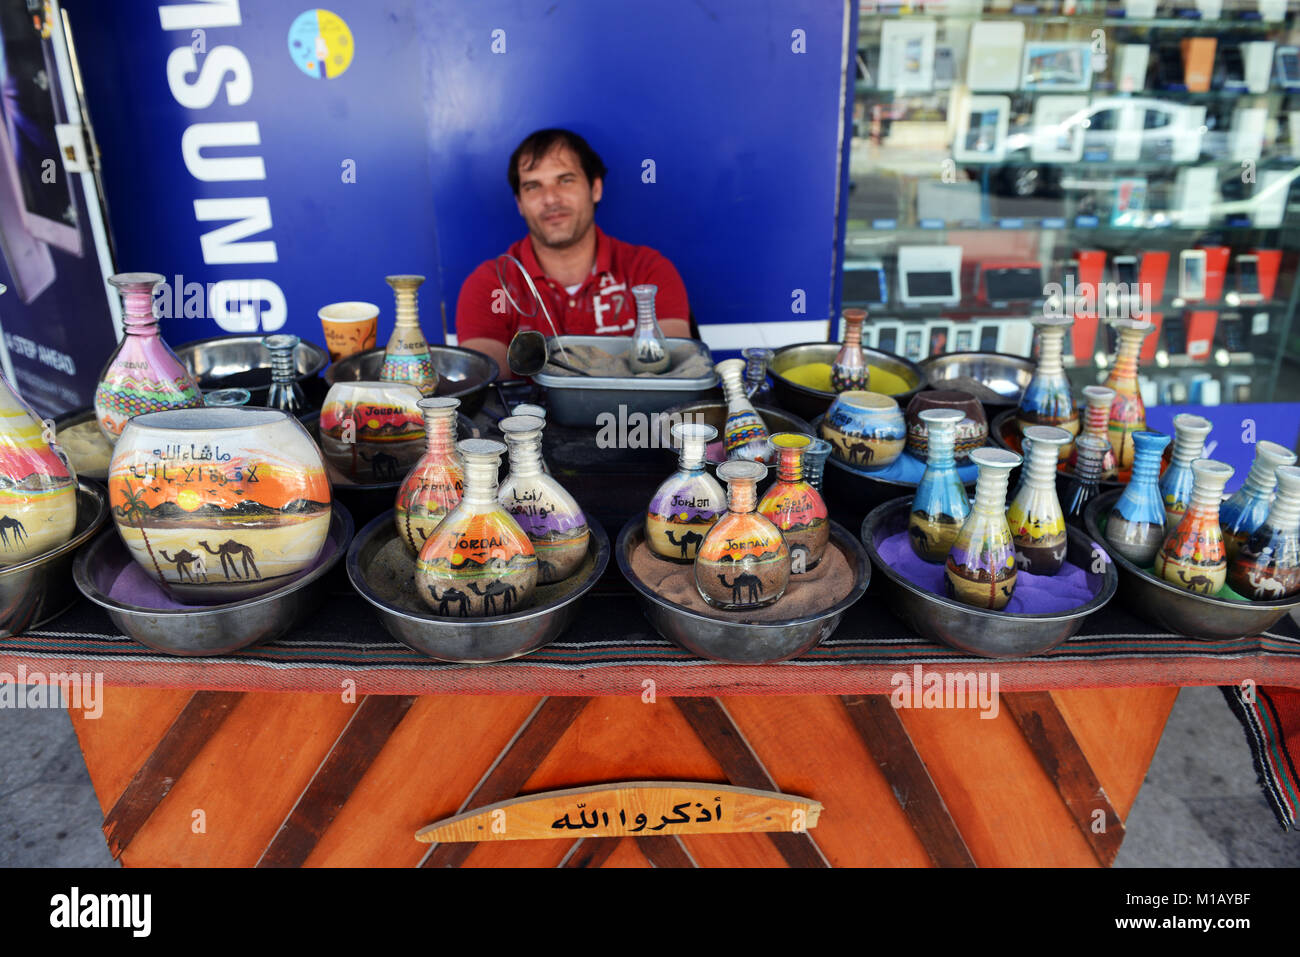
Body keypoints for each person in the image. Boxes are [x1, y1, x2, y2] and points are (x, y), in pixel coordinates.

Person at [456, 129, 690, 376]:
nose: (550, 199)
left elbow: (676, 373)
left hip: (635, 416)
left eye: (565, 180)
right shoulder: (490, 284)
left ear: (595, 189)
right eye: (533, 186)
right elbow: (486, 381)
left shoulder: (648, 271)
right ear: (520, 204)